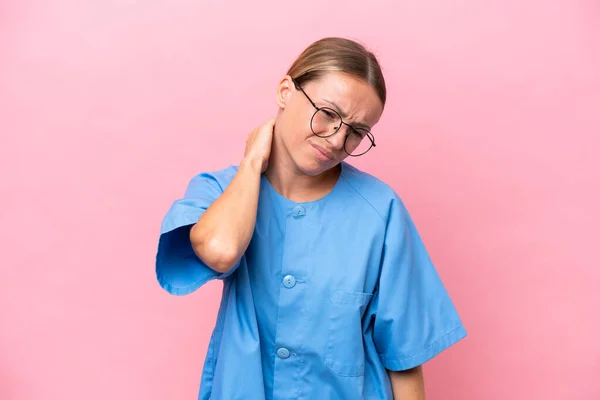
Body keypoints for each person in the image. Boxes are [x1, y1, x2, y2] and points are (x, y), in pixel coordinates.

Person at [155, 37, 467, 399]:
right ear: (286, 91)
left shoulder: (380, 211)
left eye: (356, 133)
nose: (336, 141)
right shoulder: (222, 190)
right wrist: (253, 161)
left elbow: (405, 358)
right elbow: (220, 250)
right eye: (328, 114)